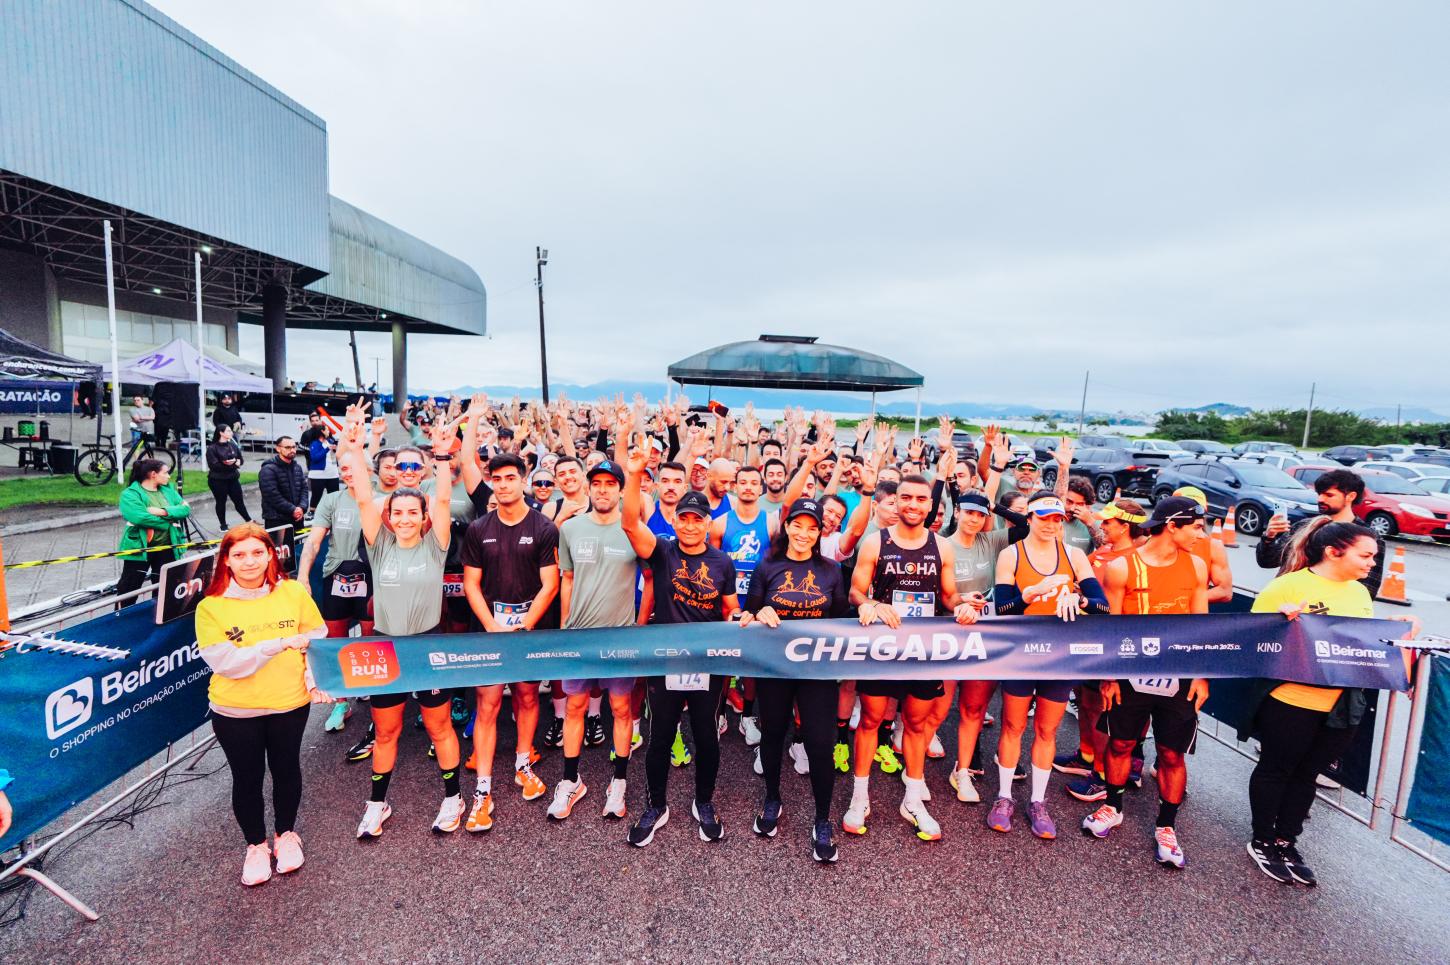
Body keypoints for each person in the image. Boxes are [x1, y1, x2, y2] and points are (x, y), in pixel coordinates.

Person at [1243, 519, 1418, 886]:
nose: (1373, 563)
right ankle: (1262, 840)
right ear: (1333, 552)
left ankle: (1286, 840)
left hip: (1340, 704)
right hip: (1291, 699)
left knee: (1307, 773)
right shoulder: (1288, 586)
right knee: (1277, 769)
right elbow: (1251, 642)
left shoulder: (1359, 593)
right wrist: (1280, 624)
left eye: (1374, 556)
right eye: (1365, 555)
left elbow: (1358, 647)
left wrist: (1398, 631)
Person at [336, 415, 462, 838]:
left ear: (424, 516)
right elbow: (363, 499)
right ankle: (377, 804)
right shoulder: (379, 545)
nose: (405, 518)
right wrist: (356, 449)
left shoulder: (436, 544)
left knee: (438, 727)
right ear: (388, 516)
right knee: (387, 731)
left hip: (427, 648)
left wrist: (441, 456)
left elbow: (442, 499)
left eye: (413, 512)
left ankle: (453, 797)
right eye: (398, 512)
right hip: (386, 650)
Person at [845, 474, 980, 842]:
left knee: (916, 725)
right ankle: (859, 797)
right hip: (883, 647)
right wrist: (872, 603)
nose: (913, 505)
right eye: (906, 498)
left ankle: (913, 800)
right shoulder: (876, 542)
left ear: (930, 505)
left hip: (923, 650)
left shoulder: (942, 547)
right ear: (896, 500)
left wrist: (962, 606)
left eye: (921, 499)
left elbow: (948, 597)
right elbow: (855, 591)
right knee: (870, 720)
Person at [620, 434, 739, 846]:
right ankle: (656, 805)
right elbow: (629, 524)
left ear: (707, 523)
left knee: (706, 737)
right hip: (667, 659)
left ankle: (703, 802)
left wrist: (742, 620)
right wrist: (634, 474)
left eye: (697, 519)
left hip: (707, 663)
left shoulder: (722, 562)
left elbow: (730, 608)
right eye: (683, 519)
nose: (689, 525)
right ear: (674, 522)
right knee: (660, 736)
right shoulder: (663, 552)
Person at [195, 523, 324, 886]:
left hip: (289, 703)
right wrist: (278, 644)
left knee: (287, 769)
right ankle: (256, 846)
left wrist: (315, 679)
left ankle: (286, 835)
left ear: (271, 554)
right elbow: (226, 663)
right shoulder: (211, 607)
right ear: (226, 560)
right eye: (239, 554)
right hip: (235, 710)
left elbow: (316, 636)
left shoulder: (293, 592)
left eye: (256, 552)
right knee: (247, 778)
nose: (249, 561)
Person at [1087, 497, 1211, 868]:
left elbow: (1201, 625)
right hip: (1130, 670)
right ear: (1172, 525)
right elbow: (1110, 626)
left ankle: (1166, 826)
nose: (1200, 533)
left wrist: (1202, 675)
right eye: (1196, 526)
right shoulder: (1123, 567)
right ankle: (1113, 806)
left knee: (1172, 754)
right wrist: (1108, 675)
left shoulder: (1196, 564)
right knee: (1122, 743)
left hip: (1179, 674)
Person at [988, 491, 1107, 840]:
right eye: (1044, 518)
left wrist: (1079, 598)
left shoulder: (1074, 555)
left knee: (1047, 730)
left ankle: (1038, 802)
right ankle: (1004, 797)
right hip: (1021, 653)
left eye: (1057, 519)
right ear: (1030, 519)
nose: (1051, 525)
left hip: (1059, 654)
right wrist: (1030, 595)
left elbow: (1102, 605)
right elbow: (1002, 609)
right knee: (1012, 726)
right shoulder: (1011, 554)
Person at [739, 497, 851, 862]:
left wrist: (868, 606)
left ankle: (822, 819)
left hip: (816, 670)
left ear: (820, 532)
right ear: (787, 527)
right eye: (798, 525)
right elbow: (750, 609)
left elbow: (841, 616)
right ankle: (772, 799)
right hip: (775, 667)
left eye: (812, 528)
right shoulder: (768, 565)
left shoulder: (831, 570)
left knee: (820, 743)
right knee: (772, 733)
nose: (804, 533)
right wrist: (761, 611)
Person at [460, 453, 561, 833]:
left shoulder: (544, 527)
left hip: (528, 631)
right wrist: (491, 626)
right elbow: (471, 583)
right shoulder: (478, 528)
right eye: (497, 479)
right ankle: (482, 789)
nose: (503, 485)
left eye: (510, 478)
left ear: (523, 481)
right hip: (489, 631)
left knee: (528, 696)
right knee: (487, 703)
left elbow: (550, 584)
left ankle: (523, 764)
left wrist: (523, 627)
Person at [549, 459, 646, 822]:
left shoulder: (633, 529)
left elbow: (651, 580)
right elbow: (568, 579)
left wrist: (638, 625)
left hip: (619, 638)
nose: (603, 490)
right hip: (579, 637)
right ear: (588, 488)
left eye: (610, 484)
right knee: (575, 707)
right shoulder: (571, 528)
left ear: (621, 490)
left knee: (621, 709)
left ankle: (618, 781)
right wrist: (564, 628)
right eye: (597, 483)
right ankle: (570, 781)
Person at [297, 451, 373, 735]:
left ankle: (371, 691)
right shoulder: (331, 500)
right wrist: (303, 575)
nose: (348, 473)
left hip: (371, 575)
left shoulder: (379, 498)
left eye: (354, 467)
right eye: (343, 468)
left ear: (368, 470)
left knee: (370, 639)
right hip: (337, 575)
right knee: (335, 639)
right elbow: (313, 541)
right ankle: (341, 702)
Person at [1256, 468, 1384, 596]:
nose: (1320, 499)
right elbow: (1267, 562)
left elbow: (1368, 588)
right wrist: (1269, 536)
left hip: (1331, 605)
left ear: (1351, 496)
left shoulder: (1367, 537)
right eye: (1319, 494)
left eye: (1329, 495)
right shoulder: (1303, 527)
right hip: (1288, 600)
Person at [115, 459, 191, 597]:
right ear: (153, 474)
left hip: (167, 547)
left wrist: (162, 512)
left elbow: (185, 509)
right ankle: (122, 610)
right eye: (165, 473)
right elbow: (139, 518)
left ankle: (158, 610)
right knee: (129, 588)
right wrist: (168, 521)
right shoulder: (130, 494)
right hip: (139, 549)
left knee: (164, 589)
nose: (169, 476)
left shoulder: (168, 490)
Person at [258, 436, 307, 534]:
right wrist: (293, 510)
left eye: (294, 447)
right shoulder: (268, 469)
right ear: (278, 448)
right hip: (277, 519)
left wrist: (301, 507)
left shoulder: (297, 467)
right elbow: (272, 495)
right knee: (279, 544)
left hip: (297, 518)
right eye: (287, 447)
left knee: (297, 543)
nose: (292, 450)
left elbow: (304, 489)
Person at [206, 425, 252, 529]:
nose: (231, 432)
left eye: (231, 430)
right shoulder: (212, 448)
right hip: (217, 480)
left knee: (239, 501)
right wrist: (232, 464)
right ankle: (223, 525)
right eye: (228, 431)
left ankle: (249, 520)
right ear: (221, 433)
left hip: (232, 478)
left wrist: (238, 462)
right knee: (221, 502)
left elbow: (240, 459)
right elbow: (214, 465)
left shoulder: (233, 445)